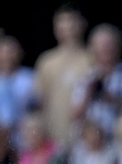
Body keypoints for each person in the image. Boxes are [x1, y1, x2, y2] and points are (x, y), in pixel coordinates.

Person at [34, 5, 92, 146]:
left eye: (72, 20)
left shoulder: (92, 59)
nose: (68, 26)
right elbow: (41, 102)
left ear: (83, 24)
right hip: (54, 139)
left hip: (87, 140)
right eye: (62, 21)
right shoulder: (46, 62)